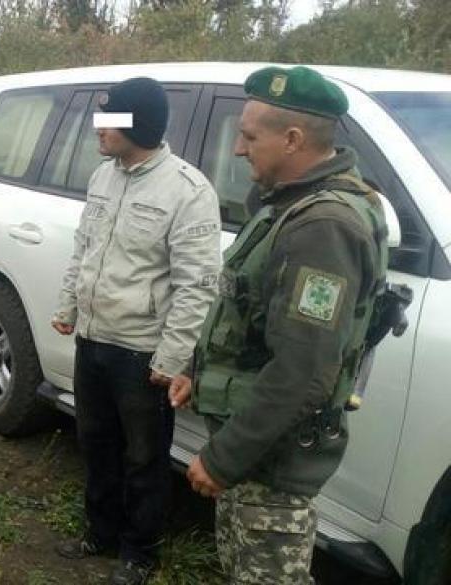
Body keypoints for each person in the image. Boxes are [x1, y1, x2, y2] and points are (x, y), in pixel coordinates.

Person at [169, 66, 389, 584]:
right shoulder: (290, 205)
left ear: (292, 139)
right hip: (255, 454)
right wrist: (198, 371)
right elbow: (249, 313)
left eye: (249, 137)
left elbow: (303, 370)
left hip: (271, 464)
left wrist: (223, 458)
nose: (238, 149)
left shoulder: (323, 227)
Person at [51, 77, 222, 585]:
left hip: (141, 353)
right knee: (95, 442)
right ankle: (100, 532)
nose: (98, 129)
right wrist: (68, 304)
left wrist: (170, 359)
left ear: (140, 125)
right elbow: (83, 248)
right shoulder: (102, 177)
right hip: (93, 340)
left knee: (144, 457)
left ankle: (139, 552)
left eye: (111, 121)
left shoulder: (188, 191)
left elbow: (197, 286)